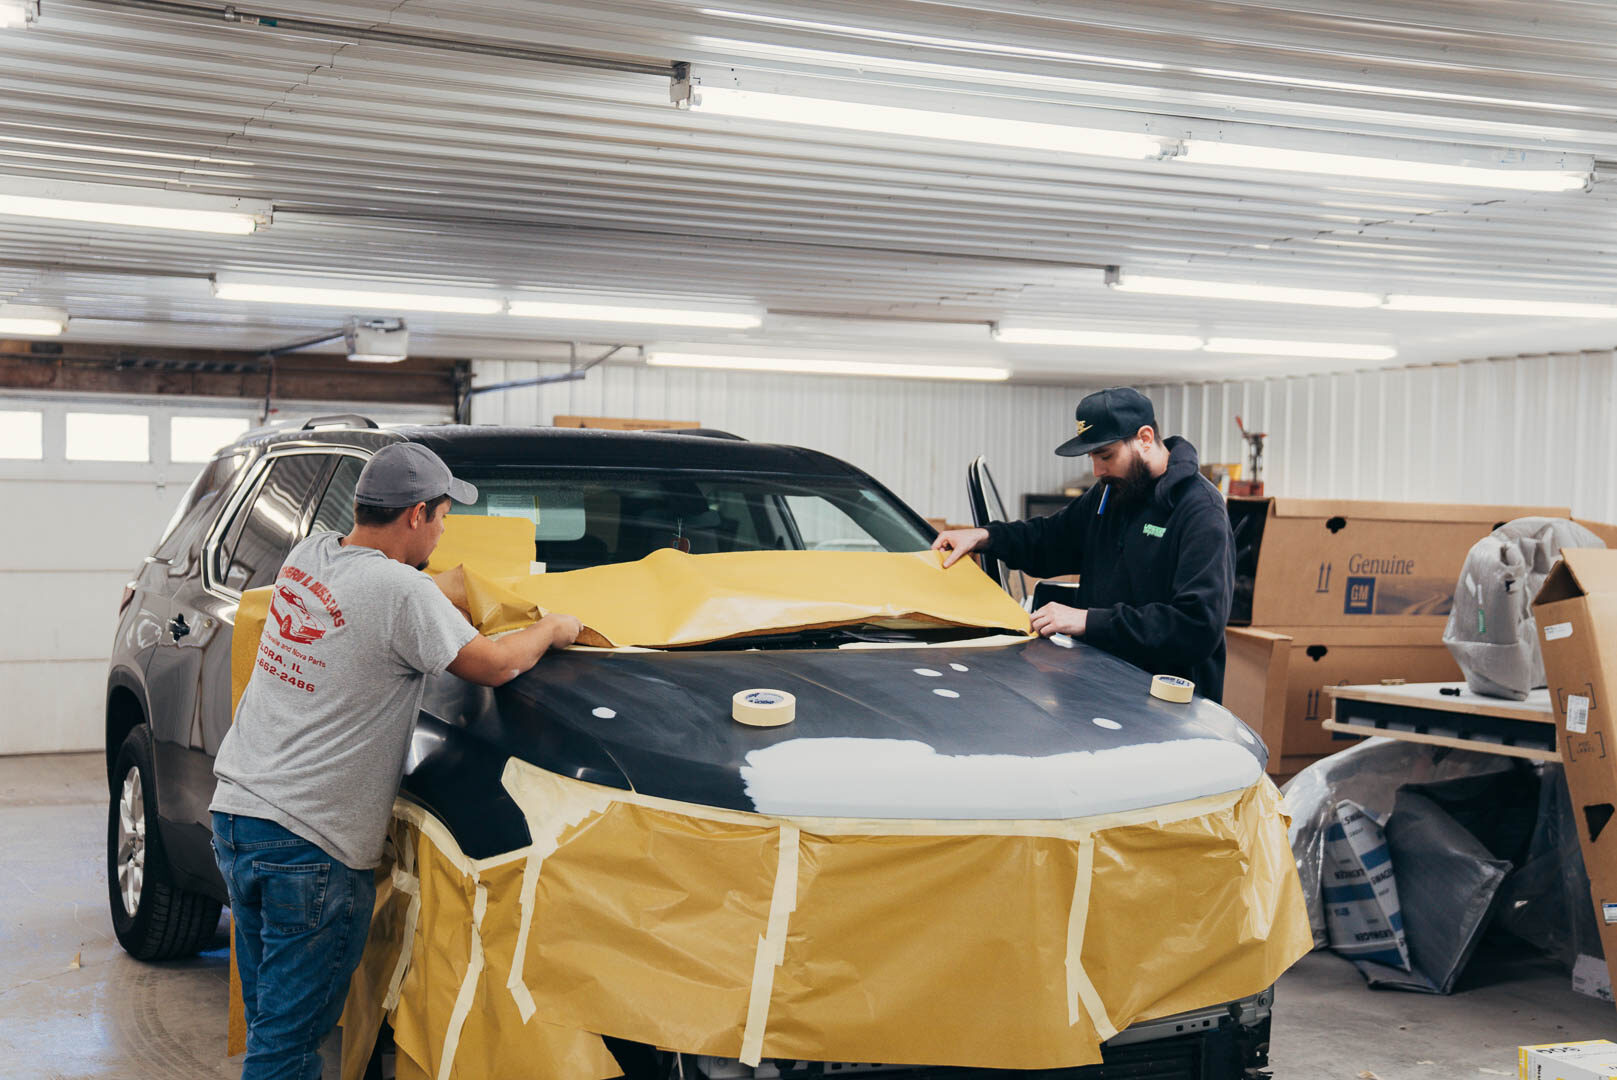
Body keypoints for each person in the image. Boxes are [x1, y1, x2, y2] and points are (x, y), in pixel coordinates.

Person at [209, 442, 582, 1080]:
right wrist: (553, 629)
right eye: (442, 517)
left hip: (240, 819)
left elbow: (383, 599)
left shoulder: (313, 556)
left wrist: (454, 587)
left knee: (273, 1017)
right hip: (311, 846)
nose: (444, 530)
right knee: (288, 1047)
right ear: (416, 515)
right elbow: (493, 666)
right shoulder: (400, 595)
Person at [933, 387, 1235, 702]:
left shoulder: (1199, 511)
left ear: (1145, 438)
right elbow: (1050, 540)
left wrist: (1088, 620)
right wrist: (986, 537)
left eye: (1106, 455)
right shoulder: (1112, 492)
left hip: (1167, 706)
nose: (1097, 470)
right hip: (1102, 688)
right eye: (1093, 457)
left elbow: (1196, 626)